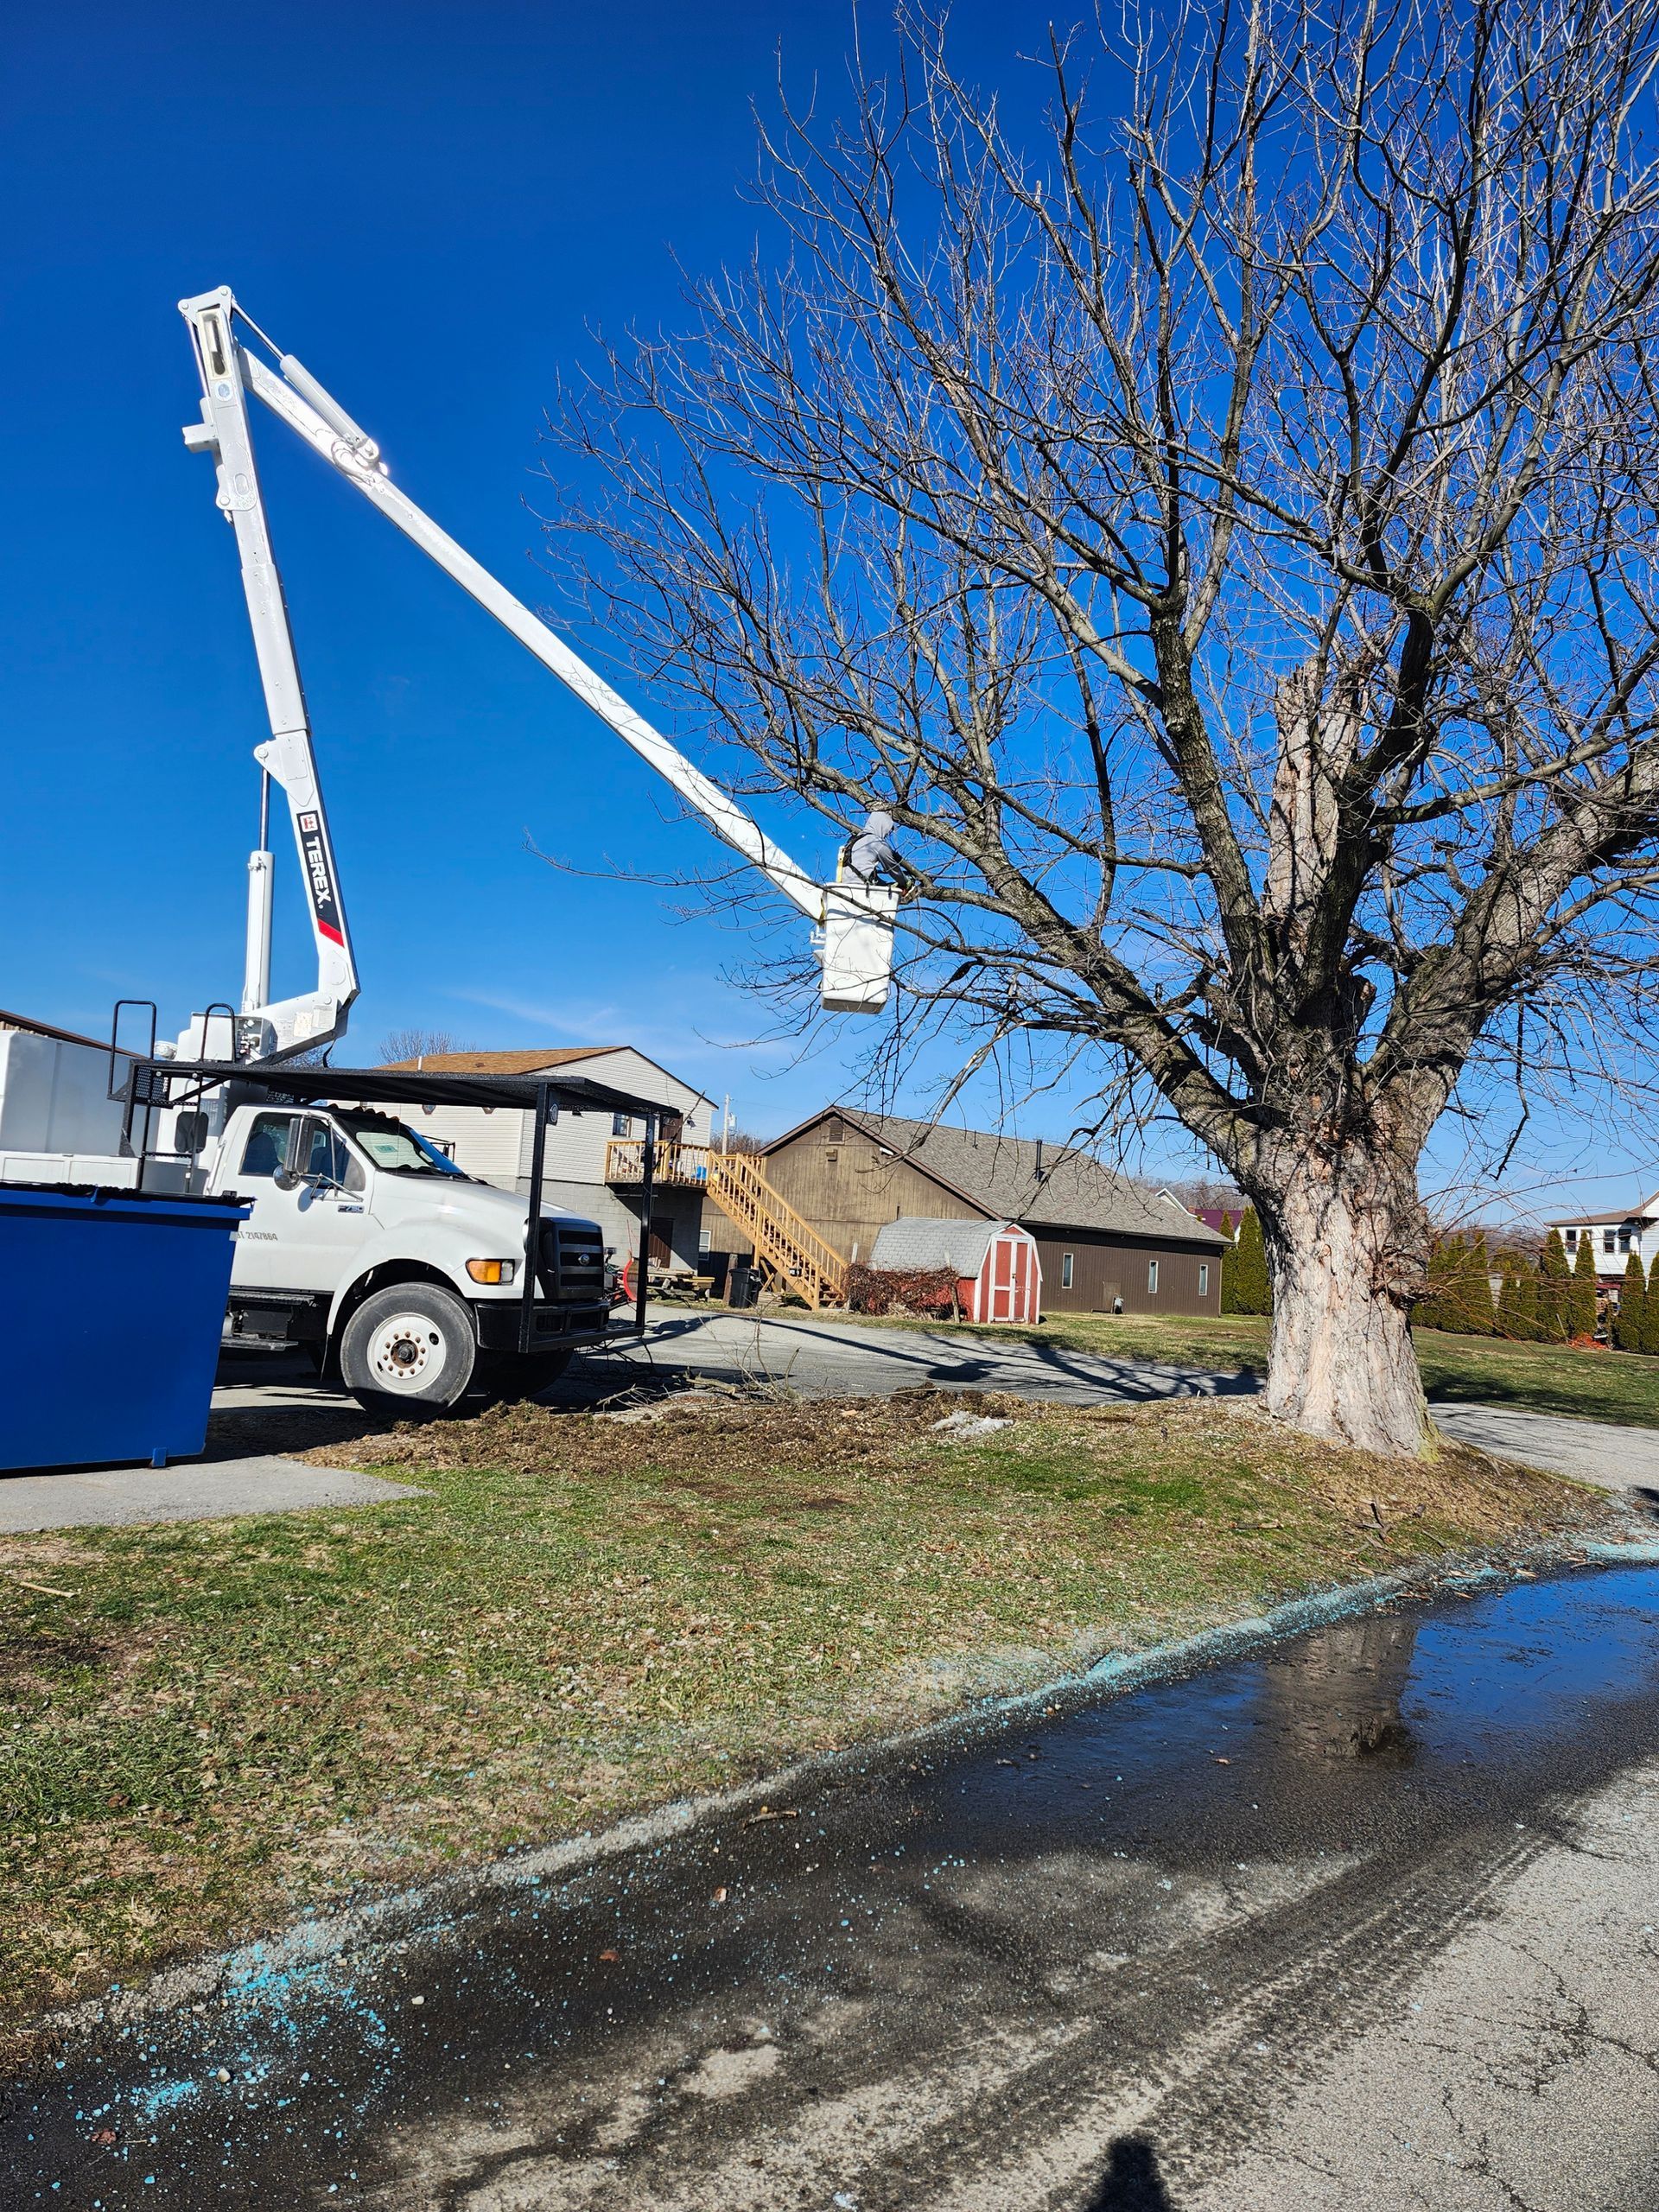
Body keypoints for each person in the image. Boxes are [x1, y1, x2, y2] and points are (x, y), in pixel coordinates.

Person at [846, 809, 898, 883]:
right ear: (883, 824)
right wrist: (905, 882)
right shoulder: (876, 842)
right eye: (888, 829)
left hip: (846, 886)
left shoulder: (855, 840)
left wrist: (887, 885)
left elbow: (863, 873)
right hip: (859, 887)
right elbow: (893, 869)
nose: (888, 833)